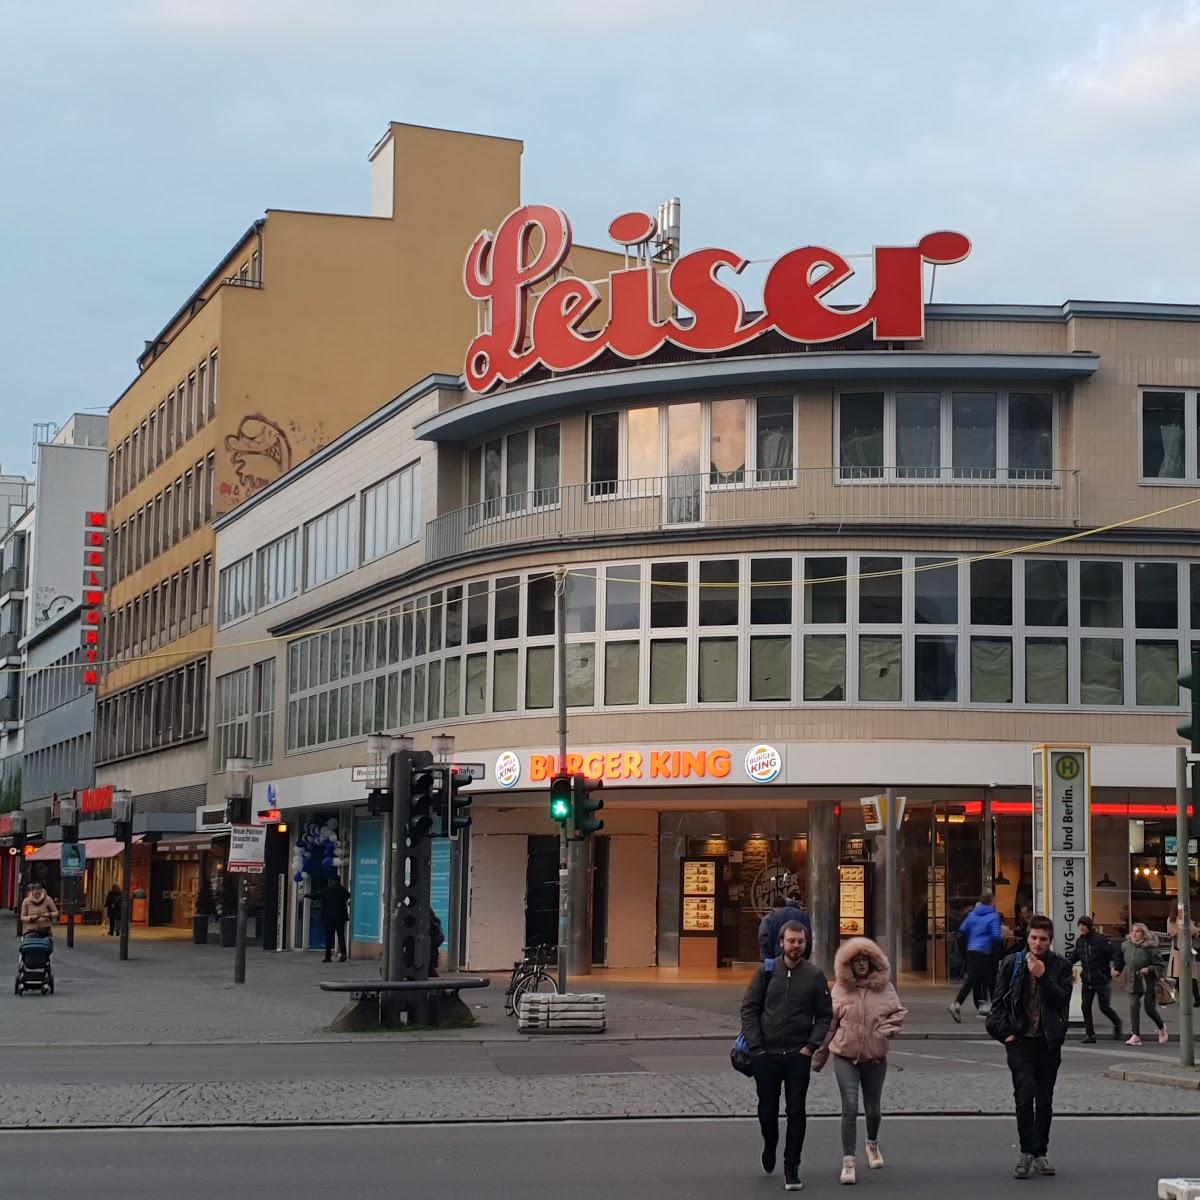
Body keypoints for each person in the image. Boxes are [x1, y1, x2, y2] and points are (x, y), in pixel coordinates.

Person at [740, 920, 832, 1192]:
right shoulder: (766, 972)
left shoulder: (815, 976)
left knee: (796, 1111)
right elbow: (749, 1009)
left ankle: (791, 1166)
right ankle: (770, 1143)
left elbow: (825, 1015)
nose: (795, 946)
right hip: (766, 1054)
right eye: (791, 941)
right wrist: (757, 1047)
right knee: (767, 1110)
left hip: (797, 1055)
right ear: (781, 943)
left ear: (806, 944)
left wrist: (812, 1045)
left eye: (800, 942)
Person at [813, 937, 907, 1185]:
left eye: (866, 960)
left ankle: (872, 1144)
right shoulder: (840, 990)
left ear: (873, 962)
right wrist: (818, 1056)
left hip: (875, 1058)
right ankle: (848, 1162)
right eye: (857, 961)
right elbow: (829, 1025)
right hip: (845, 1056)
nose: (862, 965)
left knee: (873, 1109)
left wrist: (887, 1029)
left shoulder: (885, 988)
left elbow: (898, 1013)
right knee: (850, 1107)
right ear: (849, 965)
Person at [986, 913, 1072, 1180]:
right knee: (1025, 1094)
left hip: (1047, 1043)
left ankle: (1040, 1153)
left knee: (1044, 1099)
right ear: (1028, 937)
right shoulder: (1012, 963)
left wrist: (1044, 977)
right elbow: (997, 1006)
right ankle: (1026, 1152)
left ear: (1050, 940)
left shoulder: (1061, 966)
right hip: (1020, 1041)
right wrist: (1006, 1035)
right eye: (1034, 938)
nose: (1038, 943)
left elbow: (1062, 1001)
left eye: (1043, 939)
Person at [949, 891, 1003, 1022]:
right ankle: (957, 1004)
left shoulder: (972, 914)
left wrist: (975, 935)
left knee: (975, 979)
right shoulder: (993, 915)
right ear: (991, 901)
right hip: (985, 951)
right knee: (990, 980)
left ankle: (959, 1004)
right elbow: (996, 936)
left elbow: (963, 929)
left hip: (972, 950)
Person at [1068, 916, 1121, 1042]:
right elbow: (1074, 956)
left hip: (1101, 980)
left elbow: (1116, 952)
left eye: (1084, 925)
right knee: (1085, 1006)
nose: (1081, 927)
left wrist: (1117, 967)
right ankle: (1090, 1034)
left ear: (1089, 927)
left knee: (1104, 1007)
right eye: (1079, 925)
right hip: (1087, 980)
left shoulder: (1100, 940)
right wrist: (1063, 965)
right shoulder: (1079, 942)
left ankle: (1117, 1022)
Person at [1114, 922, 1167, 1046]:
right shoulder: (1126, 945)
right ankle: (1136, 1035)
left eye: (1138, 931)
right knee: (1133, 1006)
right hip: (1133, 982)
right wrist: (1117, 969)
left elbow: (1160, 965)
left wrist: (1149, 969)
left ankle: (1161, 1027)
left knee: (1149, 1008)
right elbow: (1120, 959)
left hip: (1148, 982)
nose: (1134, 934)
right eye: (1133, 931)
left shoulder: (1150, 947)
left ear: (1143, 934)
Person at [757, 891, 813, 961]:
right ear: (800, 902)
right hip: (798, 957)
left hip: (777, 955)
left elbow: (769, 938)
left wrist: (773, 953)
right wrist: (805, 957)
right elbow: (808, 939)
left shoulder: (775, 916)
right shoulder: (803, 915)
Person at [312, 873, 351, 963]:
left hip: (329, 918)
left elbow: (316, 896)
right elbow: (348, 896)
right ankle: (343, 954)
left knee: (329, 937)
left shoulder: (327, 890)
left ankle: (328, 956)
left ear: (332, 881)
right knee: (341, 936)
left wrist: (307, 895)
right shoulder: (342, 890)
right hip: (340, 918)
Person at [1166, 904, 1200, 1006]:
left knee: (1182, 976)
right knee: (1186, 976)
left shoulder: (1174, 919)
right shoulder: (1179, 919)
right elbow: (1192, 930)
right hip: (1182, 950)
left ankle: (1187, 998)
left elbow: (1171, 932)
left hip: (1181, 950)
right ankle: (1191, 998)